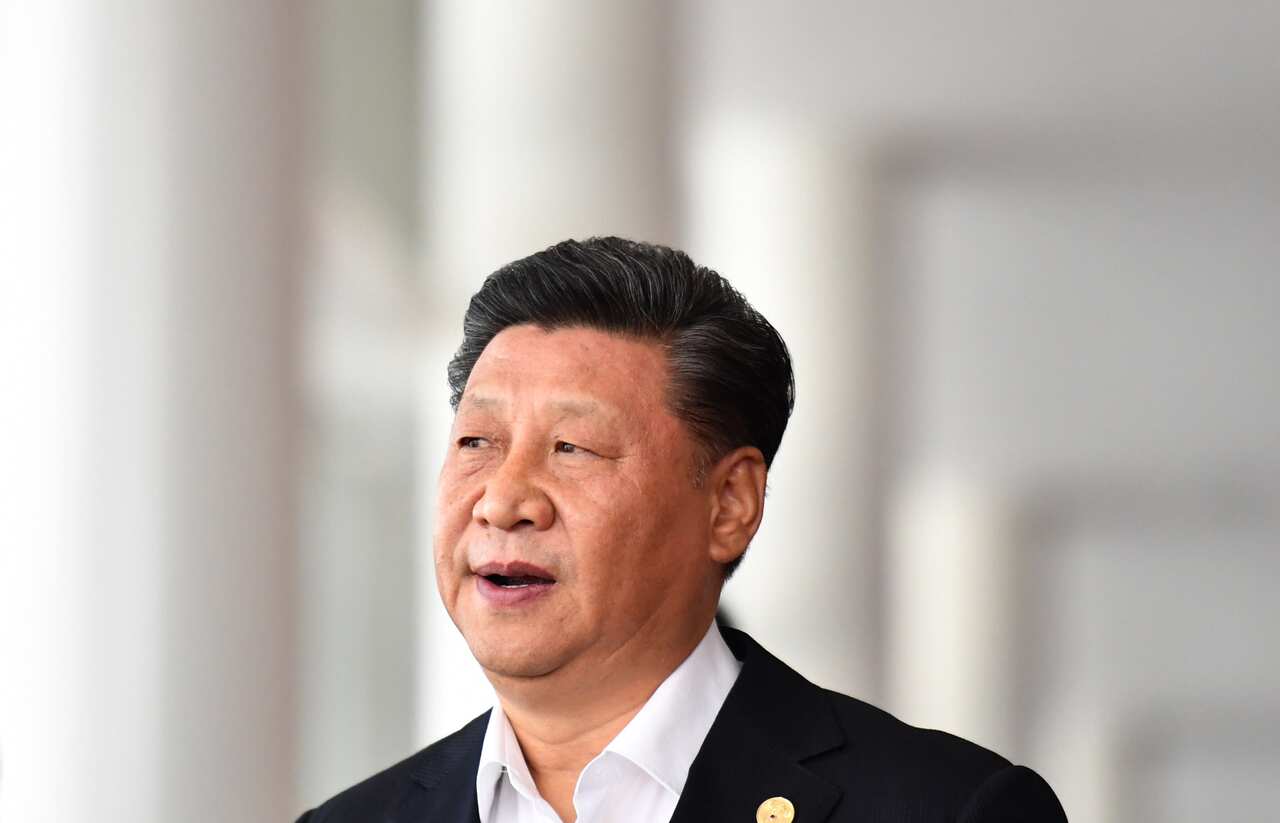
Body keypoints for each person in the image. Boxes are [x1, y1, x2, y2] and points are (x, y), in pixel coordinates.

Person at [296, 237, 1068, 823]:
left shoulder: (951, 809)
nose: (503, 501)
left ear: (729, 503)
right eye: (477, 441)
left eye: (572, 447)